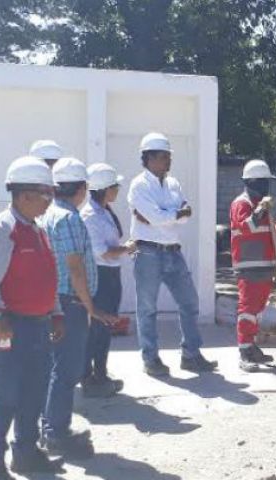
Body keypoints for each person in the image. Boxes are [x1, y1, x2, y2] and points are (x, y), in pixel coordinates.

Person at [0, 156, 66, 480]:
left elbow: (46, 278)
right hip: (10, 328)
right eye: (46, 194)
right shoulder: (4, 228)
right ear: (25, 194)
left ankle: (26, 453)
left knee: (34, 392)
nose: (49, 200)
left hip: (38, 327)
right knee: (5, 395)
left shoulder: (37, 229)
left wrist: (55, 312)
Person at [38, 157, 117, 459]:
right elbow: (75, 267)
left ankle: (48, 428)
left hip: (51, 300)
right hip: (68, 303)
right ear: (82, 188)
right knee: (67, 370)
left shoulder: (47, 214)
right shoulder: (69, 218)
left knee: (52, 368)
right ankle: (57, 433)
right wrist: (91, 307)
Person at [127, 132, 216, 376]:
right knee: (147, 308)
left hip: (173, 252)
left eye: (169, 156)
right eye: (164, 156)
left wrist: (165, 215)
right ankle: (151, 359)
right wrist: (170, 215)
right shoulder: (139, 185)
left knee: (189, 302)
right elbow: (163, 216)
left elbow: (185, 214)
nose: (169, 160)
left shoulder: (173, 183)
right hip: (148, 252)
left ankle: (191, 354)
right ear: (149, 158)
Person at [80, 163, 135, 396]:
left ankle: (100, 373)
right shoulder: (90, 215)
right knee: (98, 329)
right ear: (105, 189)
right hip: (101, 276)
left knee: (105, 327)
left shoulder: (103, 211)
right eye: (115, 186)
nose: (118, 189)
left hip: (110, 274)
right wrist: (127, 248)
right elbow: (102, 251)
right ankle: (90, 376)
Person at [229, 159, 276, 372]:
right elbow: (247, 227)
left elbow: (270, 235)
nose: (266, 186)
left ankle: (252, 345)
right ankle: (244, 351)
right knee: (248, 309)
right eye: (263, 182)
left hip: (265, 264)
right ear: (252, 182)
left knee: (258, 309)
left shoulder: (262, 203)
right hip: (248, 265)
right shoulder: (241, 203)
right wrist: (260, 210)